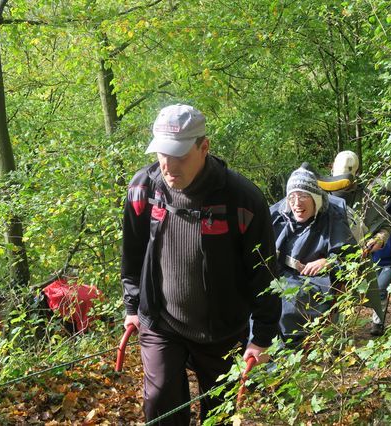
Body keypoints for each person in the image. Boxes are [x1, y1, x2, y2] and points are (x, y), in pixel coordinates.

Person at [121, 104, 281, 425]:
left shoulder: (241, 199)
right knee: (161, 406)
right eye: (162, 154)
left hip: (222, 329)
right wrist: (132, 305)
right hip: (160, 321)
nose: (168, 165)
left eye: (179, 155)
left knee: (219, 415)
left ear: (204, 147)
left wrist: (262, 336)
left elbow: (263, 272)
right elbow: (133, 252)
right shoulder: (143, 189)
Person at [270, 165, 354, 347]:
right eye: (292, 196)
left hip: (316, 283)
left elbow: (350, 256)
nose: (297, 203)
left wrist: (329, 261)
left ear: (315, 198)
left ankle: (286, 353)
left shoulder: (332, 218)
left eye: (303, 196)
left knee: (286, 302)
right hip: (281, 277)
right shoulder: (280, 217)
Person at [320, 151, 391, 336]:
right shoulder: (320, 194)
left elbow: (386, 225)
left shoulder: (366, 197)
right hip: (322, 262)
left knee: (346, 303)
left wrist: (378, 239)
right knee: (326, 305)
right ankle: (331, 345)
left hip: (355, 260)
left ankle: (339, 345)